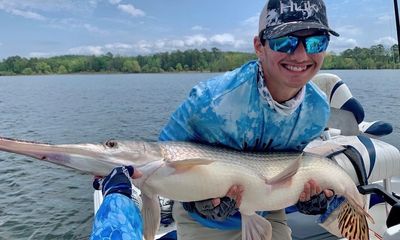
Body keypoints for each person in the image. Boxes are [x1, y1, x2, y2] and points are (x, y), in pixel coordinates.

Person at [159, 0, 339, 239]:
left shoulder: (317, 110)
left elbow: (289, 167)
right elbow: (160, 160)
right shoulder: (209, 102)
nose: (300, 55)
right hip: (204, 224)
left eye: (316, 41)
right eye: (284, 41)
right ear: (259, 46)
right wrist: (195, 202)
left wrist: (308, 198)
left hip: (267, 209)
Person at [90, 166, 143, 240]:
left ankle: (133, 204)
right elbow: (140, 174)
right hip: (121, 200)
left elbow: (96, 185)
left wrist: (97, 179)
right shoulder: (124, 170)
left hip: (109, 205)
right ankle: (134, 202)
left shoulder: (103, 181)